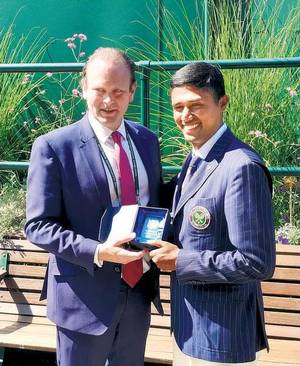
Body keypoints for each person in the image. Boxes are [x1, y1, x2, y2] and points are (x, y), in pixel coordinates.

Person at [25, 47, 163, 366]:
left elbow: (155, 203)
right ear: (84, 88)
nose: (107, 102)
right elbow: (38, 226)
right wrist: (98, 251)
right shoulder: (54, 147)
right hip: (82, 299)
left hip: (138, 291)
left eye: (117, 92)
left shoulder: (147, 141)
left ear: (132, 92)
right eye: (99, 90)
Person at [150, 62, 275, 365]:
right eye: (178, 107)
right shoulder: (195, 159)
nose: (185, 116)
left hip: (222, 339)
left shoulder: (240, 167)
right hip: (189, 331)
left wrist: (180, 260)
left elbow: (256, 263)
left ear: (222, 103)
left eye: (196, 106)